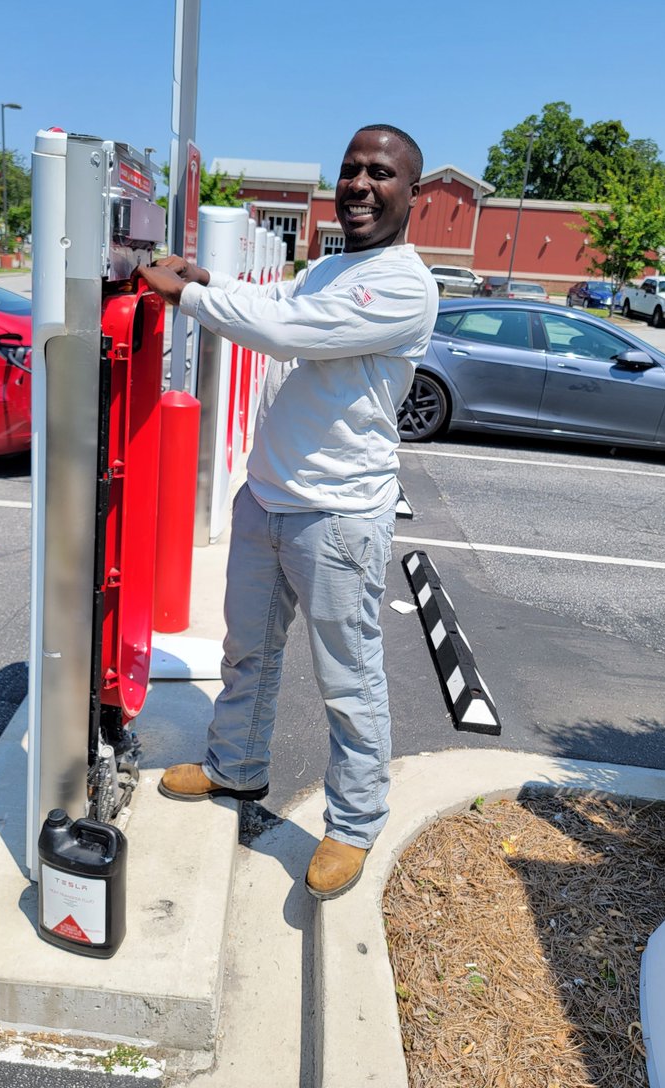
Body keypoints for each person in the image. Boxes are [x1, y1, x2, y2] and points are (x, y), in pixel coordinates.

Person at [138, 125, 438, 900]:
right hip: (268, 498)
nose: (361, 185)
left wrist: (194, 295)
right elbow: (273, 299)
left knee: (350, 681)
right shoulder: (332, 267)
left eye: (381, 173)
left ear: (414, 194)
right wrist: (212, 280)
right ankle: (235, 769)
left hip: (337, 518)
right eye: (350, 171)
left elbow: (288, 331)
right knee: (248, 652)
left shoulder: (405, 284)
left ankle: (354, 823)